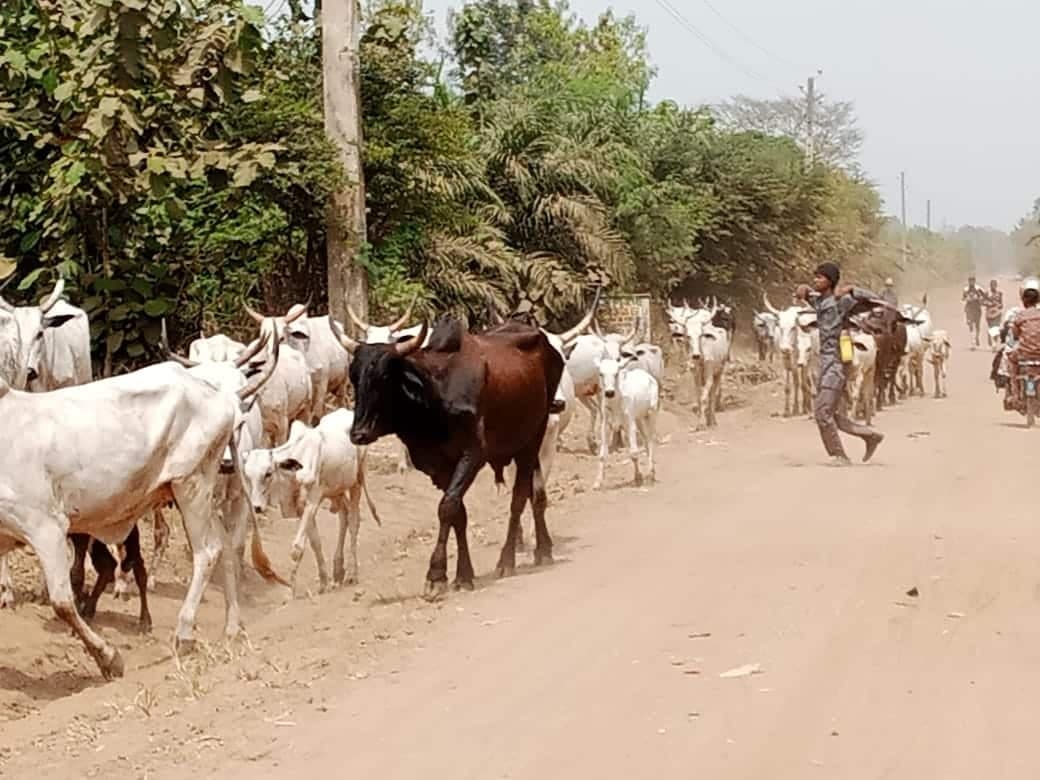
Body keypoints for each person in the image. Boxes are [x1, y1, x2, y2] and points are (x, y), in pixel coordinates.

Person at [796, 262, 885, 465]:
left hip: (836, 363)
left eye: (820, 277)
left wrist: (853, 289)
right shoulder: (820, 300)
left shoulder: (842, 301)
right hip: (824, 362)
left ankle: (839, 456)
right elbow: (804, 292)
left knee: (822, 412)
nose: (815, 280)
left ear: (830, 281)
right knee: (831, 413)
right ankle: (870, 436)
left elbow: (874, 299)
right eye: (815, 277)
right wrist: (802, 290)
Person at [1006, 278, 1040, 407]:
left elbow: (1014, 336)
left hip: (1024, 355)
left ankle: (1015, 394)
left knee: (1011, 361)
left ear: (1023, 300)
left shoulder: (1020, 316)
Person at [962, 275, 986, 348]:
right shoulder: (965, 289)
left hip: (977, 308)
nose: (971, 282)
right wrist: (967, 298)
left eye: (972, 281)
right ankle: (973, 341)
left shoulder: (979, 288)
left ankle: (977, 337)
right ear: (968, 281)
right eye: (970, 281)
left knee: (977, 325)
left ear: (974, 281)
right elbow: (963, 298)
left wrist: (978, 298)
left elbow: (984, 296)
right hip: (969, 308)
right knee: (970, 324)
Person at [984, 279, 1004, 348]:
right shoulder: (987, 293)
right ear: (990, 286)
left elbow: (1002, 304)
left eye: (994, 285)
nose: (993, 286)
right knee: (991, 327)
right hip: (989, 312)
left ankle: (994, 343)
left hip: (997, 313)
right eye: (992, 285)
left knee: (996, 328)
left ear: (996, 285)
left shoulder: (1000, 293)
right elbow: (983, 302)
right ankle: (990, 336)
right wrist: (989, 304)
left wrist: (999, 305)